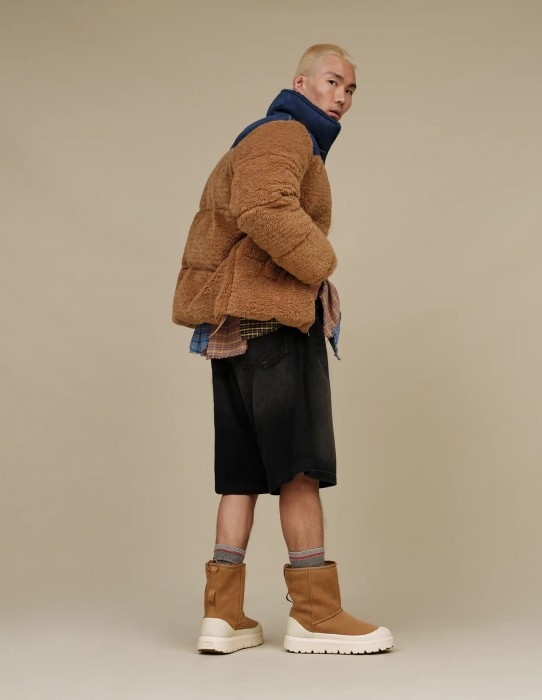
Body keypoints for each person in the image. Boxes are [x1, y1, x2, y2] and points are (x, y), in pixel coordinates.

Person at [172, 44, 393, 655]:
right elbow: (263, 205)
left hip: (233, 330)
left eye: (351, 89)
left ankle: (222, 616)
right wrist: (322, 263)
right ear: (301, 83)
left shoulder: (268, 136)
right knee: (299, 466)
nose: (342, 97)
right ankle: (316, 614)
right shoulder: (287, 132)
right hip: (272, 323)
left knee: (241, 474)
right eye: (333, 81)